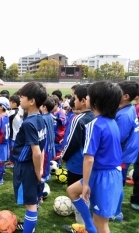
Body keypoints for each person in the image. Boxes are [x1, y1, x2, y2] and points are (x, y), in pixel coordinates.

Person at [66, 81, 123, 233]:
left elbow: (89, 158)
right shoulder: (112, 122)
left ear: (97, 101)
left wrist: (85, 185)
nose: (87, 97)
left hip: (103, 177)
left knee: (102, 224)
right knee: (71, 191)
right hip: (110, 174)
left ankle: (92, 226)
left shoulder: (95, 124)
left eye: (89, 95)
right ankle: (89, 227)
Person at [12, 82, 47, 232]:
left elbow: (36, 151)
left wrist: (37, 171)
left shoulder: (28, 123)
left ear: (32, 101)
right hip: (33, 166)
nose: (20, 99)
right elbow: (42, 147)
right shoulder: (42, 119)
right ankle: (30, 227)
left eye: (22, 97)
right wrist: (40, 169)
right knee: (34, 198)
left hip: (26, 167)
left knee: (30, 203)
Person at [60, 85, 94, 230]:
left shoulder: (78, 119)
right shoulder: (97, 116)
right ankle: (86, 219)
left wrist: (63, 156)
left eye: (74, 98)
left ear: (83, 100)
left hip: (77, 162)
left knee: (77, 193)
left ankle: (80, 225)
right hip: (91, 165)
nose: (73, 101)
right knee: (86, 192)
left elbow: (72, 142)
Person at [112, 81, 139, 221]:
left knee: (117, 182)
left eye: (117, 91)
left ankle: (116, 213)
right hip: (127, 152)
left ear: (125, 96)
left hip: (123, 155)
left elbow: (118, 138)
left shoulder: (124, 115)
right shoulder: (128, 109)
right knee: (117, 181)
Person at [39, 96, 56, 201]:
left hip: (44, 149)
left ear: (44, 107)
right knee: (44, 171)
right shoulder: (50, 116)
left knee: (41, 172)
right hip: (50, 147)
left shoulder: (43, 119)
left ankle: (39, 196)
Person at [5, 95, 22, 169]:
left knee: (13, 149)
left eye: (10, 103)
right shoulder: (18, 111)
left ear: (14, 104)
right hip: (15, 133)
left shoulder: (12, 112)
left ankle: (13, 163)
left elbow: (4, 116)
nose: (9, 104)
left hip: (13, 134)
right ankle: (11, 161)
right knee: (12, 149)